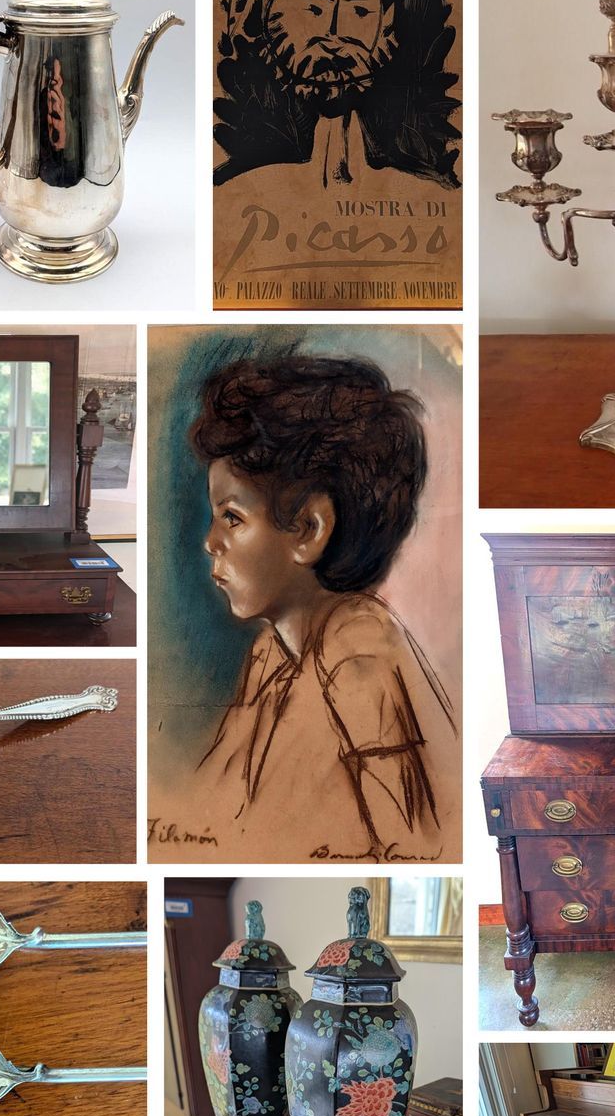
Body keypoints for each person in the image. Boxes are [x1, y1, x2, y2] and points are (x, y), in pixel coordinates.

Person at [188, 350, 456, 860]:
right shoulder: (272, 651)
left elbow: (415, 845)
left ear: (310, 530)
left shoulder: (359, 649)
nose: (210, 542)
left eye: (233, 518)